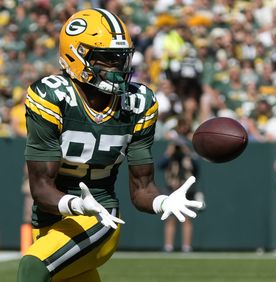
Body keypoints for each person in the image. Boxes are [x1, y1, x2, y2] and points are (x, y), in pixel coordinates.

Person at [18, 8, 203, 282]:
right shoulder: (53, 97)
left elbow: (141, 189)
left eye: (121, 58)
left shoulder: (138, 103)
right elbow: (41, 187)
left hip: (101, 218)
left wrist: (162, 201)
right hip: (51, 221)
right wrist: (76, 204)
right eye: (106, 59)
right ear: (76, 55)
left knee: (32, 268)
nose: (117, 68)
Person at [159, 118, 202, 253]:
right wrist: (169, 152)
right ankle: (168, 246)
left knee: (187, 218)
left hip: (185, 188)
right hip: (171, 186)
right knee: (170, 218)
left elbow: (197, 166)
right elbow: (160, 165)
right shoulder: (171, 149)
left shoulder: (190, 148)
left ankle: (186, 246)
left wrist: (186, 151)